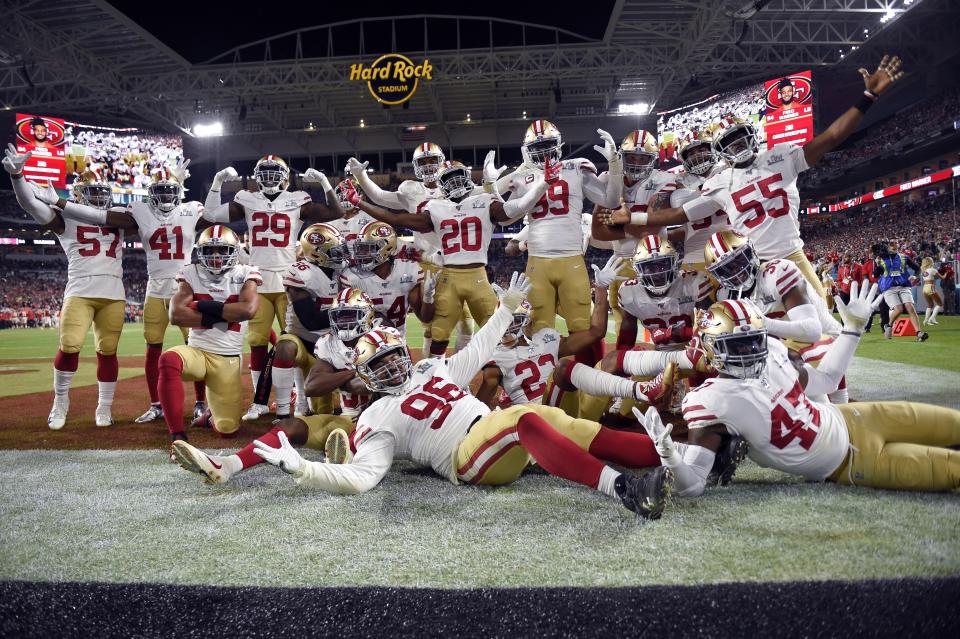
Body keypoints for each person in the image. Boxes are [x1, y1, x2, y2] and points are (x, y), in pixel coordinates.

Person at [251, 272, 674, 520]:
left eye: (395, 356)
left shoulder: (433, 368)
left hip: (492, 435)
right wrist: (303, 468)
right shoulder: (375, 416)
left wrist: (506, 308)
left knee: (569, 424)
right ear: (363, 375)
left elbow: (480, 347)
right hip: (466, 459)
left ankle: (681, 461)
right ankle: (623, 489)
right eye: (380, 365)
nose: (394, 367)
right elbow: (363, 478)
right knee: (522, 419)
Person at [600, 55, 905, 299]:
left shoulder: (779, 158)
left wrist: (868, 96)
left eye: (739, 139)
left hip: (790, 254)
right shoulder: (719, 182)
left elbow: (830, 138)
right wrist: (633, 219)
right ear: (721, 151)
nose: (736, 146)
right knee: (755, 337)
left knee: (821, 329)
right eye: (728, 143)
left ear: (751, 137)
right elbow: (677, 214)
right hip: (746, 265)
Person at [636, 283, 960, 496]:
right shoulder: (710, 401)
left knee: (954, 424)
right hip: (852, 462)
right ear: (711, 350)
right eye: (738, 345)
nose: (751, 350)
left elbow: (829, 380)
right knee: (953, 470)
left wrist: (852, 330)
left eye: (754, 340)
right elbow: (691, 484)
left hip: (857, 417)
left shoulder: (775, 351)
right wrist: (670, 456)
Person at [44, 161, 212, 424]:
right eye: (162, 190)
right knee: (152, 348)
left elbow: (216, 214)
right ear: (151, 193)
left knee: (198, 345)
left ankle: (202, 403)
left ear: (178, 192)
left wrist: (185, 183)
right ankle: (156, 404)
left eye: (171, 191)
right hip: (155, 287)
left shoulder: (190, 209)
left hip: (185, 287)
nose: (166, 196)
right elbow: (102, 217)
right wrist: (61, 202)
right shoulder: (139, 210)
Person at [170, 289, 382, 484]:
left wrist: (341, 377)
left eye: (351, 316)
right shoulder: (331, 344)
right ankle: (228, 465)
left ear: (367, 316)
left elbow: (382, 384)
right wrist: (355, 372)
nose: (344, 324)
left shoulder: (384, 338)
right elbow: (313, 386)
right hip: (347, 418)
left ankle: (349, 454)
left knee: (361, 432)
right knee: (287, 427)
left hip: (382, 419)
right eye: (339, 317)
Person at [347, 155, 549, 355]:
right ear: (441, 187)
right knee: (440, 331)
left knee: (494, 329)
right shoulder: (442, 206)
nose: (455, 183)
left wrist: (519, 182)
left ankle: (503, 373)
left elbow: (512, 209)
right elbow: (395, 217)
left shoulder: (474, 201)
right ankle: (435, 379)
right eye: (449, 179)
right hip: (448, 273)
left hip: (471, 275)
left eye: (458, 176)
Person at [203, 156, 345, 421]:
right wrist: (217, 181)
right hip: (258, 278)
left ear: (285, 176)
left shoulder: (298, 199)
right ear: (257, 176)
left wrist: (325, 183)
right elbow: (210, 215)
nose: (269, 178)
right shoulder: (247, 198)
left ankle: (300, 400)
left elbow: (336, 213)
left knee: (296, 341)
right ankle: (260, 400)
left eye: (274, 172)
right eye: (264, 173)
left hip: (289, 278)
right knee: (257, 341)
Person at [5, 147, 124, 429]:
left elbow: (149, 220)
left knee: (108, 350)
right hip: (80, 291)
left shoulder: (119, 217)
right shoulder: (66, 218)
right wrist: (17, 176)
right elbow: (30, 205)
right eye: (91, 193)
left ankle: (104, 407)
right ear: (79, 196)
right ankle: (60, 401)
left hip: (113, 294)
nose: (97, 198)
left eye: (100, 193)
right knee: (69, 345)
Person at [501, 123, 623, 367]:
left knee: (582, 330)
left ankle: (588, 385)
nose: (545, 151)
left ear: (558, 145)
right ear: (528, 150)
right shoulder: (525, 177)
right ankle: (545, 385)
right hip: (539, 262)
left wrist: (615, 165)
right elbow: (507, 217)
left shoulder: (576, 168)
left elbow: (610, 200)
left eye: (548, 144)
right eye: (539, 146)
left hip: (570, 261)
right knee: (539, 332)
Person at [159, 225, 260, 458]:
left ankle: (211, 416)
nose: (215, 257)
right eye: (210, 251)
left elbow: (247, 310)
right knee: (169, 360)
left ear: (234, 251)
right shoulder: (191, 272)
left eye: (222, 250)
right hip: (198, 353)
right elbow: (176, 315)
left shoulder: (246, 272)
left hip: (228, 359)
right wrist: (225, 312)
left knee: (227, 430)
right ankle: (178, 436)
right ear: (200, 252)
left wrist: (201, 306)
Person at [270, 223, 347, 419]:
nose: (340, 255)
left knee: (323, 411)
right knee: (285, 346)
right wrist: (346, 313)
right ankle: (282, 411)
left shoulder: (344, 271)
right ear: (317, 252)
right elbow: (310, 321)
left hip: (330, 345)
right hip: (304, 340)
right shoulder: (301, 273)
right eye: (333, 251)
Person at [339, 221, 436, 338]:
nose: (361, 254)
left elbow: (425, 318)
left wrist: (428, 297)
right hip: (365, 343)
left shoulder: (409, 270)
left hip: (398, 343)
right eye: (360, 248)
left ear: (386, 249)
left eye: (367, 249)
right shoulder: (352, 277)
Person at [874, 239, 927, 341]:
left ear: (898, 245)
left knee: (910, 307)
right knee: (899, 309)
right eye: (891, 243)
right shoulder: (883, 259)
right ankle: (888, 325)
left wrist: (915, 276)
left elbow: (918, 269)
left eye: (895, 243)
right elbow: (875, 274)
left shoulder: (904, 257)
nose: (893, 245)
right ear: (888, 247)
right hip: (889, 288)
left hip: (904, 286)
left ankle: (919, 333)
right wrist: (877, 264)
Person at [920, 257, 946, 326]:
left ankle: (926, 320)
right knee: (940, 303)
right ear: (930, 262)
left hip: (924, 287)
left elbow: (933, 277)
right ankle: (931, 318)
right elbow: (943, 278)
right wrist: (947, 272)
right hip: (930, 287)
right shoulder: (933, 270)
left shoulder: (924, 270)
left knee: (930, 305)